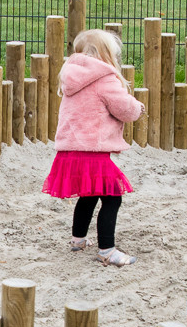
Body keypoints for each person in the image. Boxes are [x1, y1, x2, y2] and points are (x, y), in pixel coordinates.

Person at [45, 29, 145, 267]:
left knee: (88, 196)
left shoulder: (71, 78)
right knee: (112, 198)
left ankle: (78, 239)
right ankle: (107, 250)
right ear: (106, 54)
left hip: (69, 151)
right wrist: (138, 107)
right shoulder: (104, 79)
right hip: (92, 153)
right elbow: (124, 109)